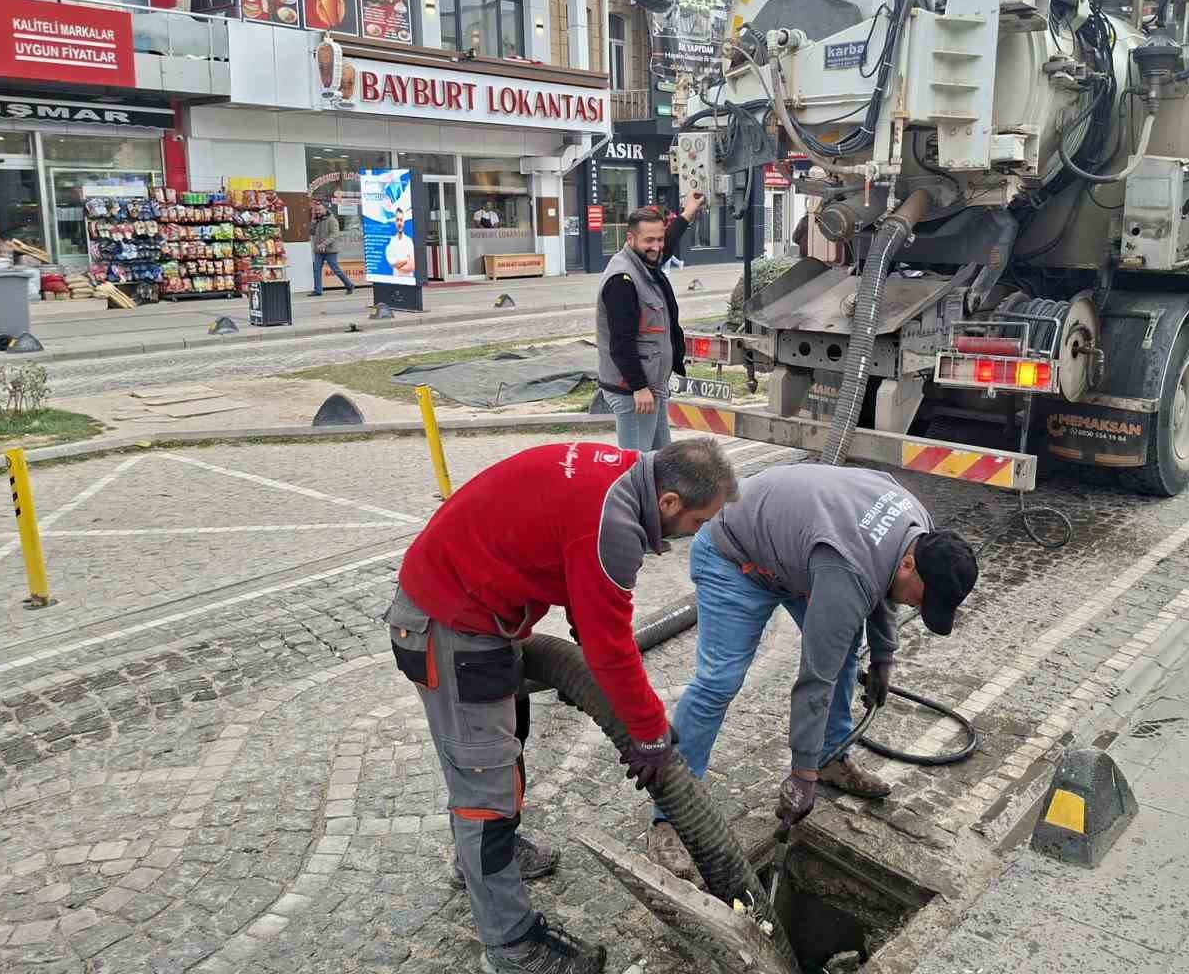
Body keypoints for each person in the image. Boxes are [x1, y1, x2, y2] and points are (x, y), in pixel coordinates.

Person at [382, 437, 739, 974]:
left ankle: (481, 859)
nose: (697, 533)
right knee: (486, 791)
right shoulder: (613, 526)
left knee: (507, 743)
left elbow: (587, 607)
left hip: (474, 611)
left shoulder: (622, 476)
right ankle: (511, 946)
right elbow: (607, 645)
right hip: (448, 626)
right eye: (698, 521)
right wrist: (649, 735)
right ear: (668, 502)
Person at [644, 465, 978, 879]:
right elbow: (814, 678)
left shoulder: (919, 529)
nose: (915, 607)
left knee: (844, 650)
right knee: (719, 682)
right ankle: (669, 817)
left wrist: (883, 656)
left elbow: (883, 588)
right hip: (735, 556)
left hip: (799, 555)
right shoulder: (851, 567)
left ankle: (831, 758)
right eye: (920, 600)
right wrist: (801, 777)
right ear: (911, 563)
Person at [596, 192, 705, 452]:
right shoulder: (622, 280)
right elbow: (621, 343)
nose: (657, 247)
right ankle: (631, 495)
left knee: (660, 462)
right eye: (649, 240)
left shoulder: (645, 262)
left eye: (660, 239)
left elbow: (667, 244)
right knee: (637, 467)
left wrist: (688, 211)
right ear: (630, 238)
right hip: (634, 393)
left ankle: (657, 494)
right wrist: (639, 387)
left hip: (651, 387)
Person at [308, 200, 355, 296]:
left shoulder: (332, 220)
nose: (317, 212)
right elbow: (311, 232)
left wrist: (324, 244)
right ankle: (318, 290)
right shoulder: (317, 220)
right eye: (316, 210)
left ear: (325, 209)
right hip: (318, 250)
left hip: (330, 250)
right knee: (316, 269)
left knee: (335, 269)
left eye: (319, 210)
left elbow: (334, 234)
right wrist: (313, 221)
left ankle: (349, 285)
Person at [385, 206, 415, 278]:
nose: (399, 223)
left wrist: (397, 265)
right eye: (397, 220)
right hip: (396, 280)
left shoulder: (409, 241)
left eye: (401, 220)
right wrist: (406, 260)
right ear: (395, 222)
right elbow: (391, 264)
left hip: (408, 280)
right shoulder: (392, 242)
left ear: (404, 222)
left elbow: (412, 266)